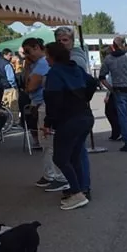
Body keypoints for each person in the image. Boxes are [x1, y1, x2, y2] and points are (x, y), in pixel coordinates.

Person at [42, 42, 97, 210]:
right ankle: (79, 190)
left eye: (47, 56)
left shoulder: (54, 73)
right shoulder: (76, 69)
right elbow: (93, 82)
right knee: (74, 156)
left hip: (69, 121)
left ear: (53, 57)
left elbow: (53, 101)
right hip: (85, 117)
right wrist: (84, 97)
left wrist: (47, 122)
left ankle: (77, 193)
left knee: (60, 157)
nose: (46, 59)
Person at [23, 37, 68, 191]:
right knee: (46, 143)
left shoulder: (42, 64)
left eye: (28, 51)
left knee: (49, 143)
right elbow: (27, 84)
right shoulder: (35, 64)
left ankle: (58, 176)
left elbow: (30, 87)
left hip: (44, 104)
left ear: (36, 47)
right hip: (41, 104)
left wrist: (28, 79)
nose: (26, 55)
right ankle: (50, 174)